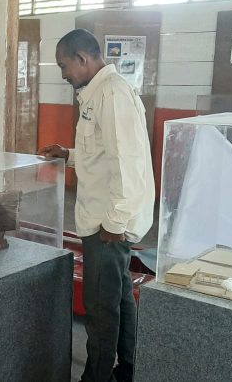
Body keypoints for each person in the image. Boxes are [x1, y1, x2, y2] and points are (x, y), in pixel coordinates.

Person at [38, 29, 154, 382]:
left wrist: (114, 223)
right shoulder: (97, 93)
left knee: (101, 308)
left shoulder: (112, 94)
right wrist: (68, 155)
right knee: (119, 298)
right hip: (103, 218)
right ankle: (128, 369)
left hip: (108, 224)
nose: (63, 74)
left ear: (83, 59)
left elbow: (127, 163)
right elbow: (102, 153)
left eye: (64, 66)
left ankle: (97, 377)